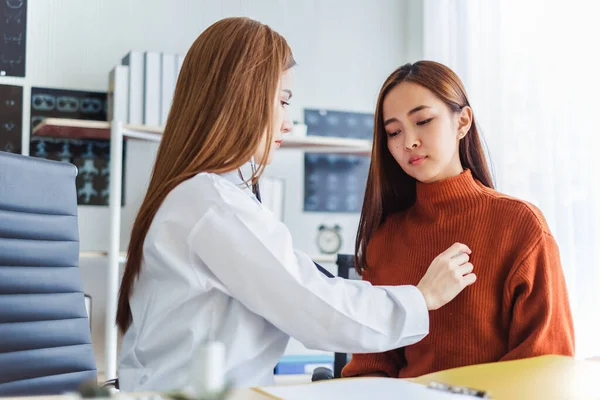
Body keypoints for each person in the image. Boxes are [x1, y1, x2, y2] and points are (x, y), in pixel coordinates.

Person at [115, 18, 477, 391]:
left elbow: (305, 281)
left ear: (462, 122)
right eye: (283, 102)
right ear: (242, 97)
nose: (287, 124)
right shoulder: (211, 205)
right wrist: (422, 298)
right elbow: (316, 308)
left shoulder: (209, 198)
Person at [342, 61, 575, 380]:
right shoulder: (384, 238)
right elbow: (371, 367)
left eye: (423, 121)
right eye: (394, 131)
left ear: (462, 122)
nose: (408, 141)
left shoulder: (521, 224)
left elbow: (545, 366)